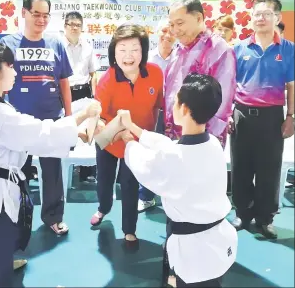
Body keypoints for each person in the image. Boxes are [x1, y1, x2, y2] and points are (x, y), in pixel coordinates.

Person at [0, 40, 101, 287]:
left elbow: (35, 134)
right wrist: (84, 116)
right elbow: (40, 135)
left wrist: (77, 126)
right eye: (10, 66)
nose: (15, 72)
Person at [117, 73, 238, 287]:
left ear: (183, 109)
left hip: (195, 252)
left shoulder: (175, 160)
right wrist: (135, 129)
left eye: (176, 100)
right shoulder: (211, 143)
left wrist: (128, 142)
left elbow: (145, 167)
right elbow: (168, 146)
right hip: (219, 241)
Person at [0, 0, 73, 235]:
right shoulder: (8, 45)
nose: (41, 20)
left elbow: (64, 82)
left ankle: (53, 216)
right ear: (24, 13)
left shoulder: (56, 44)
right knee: (17, 174)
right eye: (36, 14)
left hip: (51, 119)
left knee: (52, 172)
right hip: (18, 122)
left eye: (46, 16)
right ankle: (17, 218)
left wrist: (69, 115)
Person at [90, 24, 163, 247]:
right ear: (114, 52)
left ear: (144, 51)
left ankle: (129, 230)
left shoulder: (156, 74)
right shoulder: (108, 78)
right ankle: (103, 208)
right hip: (110, 142)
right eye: (122, 49)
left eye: (134, 49)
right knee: (104, 180)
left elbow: (159, 107)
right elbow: (98, 117)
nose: (128, 56)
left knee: (130, 185)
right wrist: (114, 132)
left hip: (136, 143)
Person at [229, 0, 294, 239]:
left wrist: (291, 116)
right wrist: (227, 115)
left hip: (272, 118)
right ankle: (242, 214)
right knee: (241, 168)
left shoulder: (288, 50)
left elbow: (291, 86)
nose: (261, 18)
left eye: (267, 14)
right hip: (242, 115)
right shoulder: (239, 48)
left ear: (277, 17)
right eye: (257, 14)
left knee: (269, 170)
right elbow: (229, 84)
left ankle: (265, 218)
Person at [164, 0, 236, 148]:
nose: (175, 30)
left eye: (180, 23)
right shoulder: (178, 50)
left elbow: (221, 103)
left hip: (201, 140)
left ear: (198, 18)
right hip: (174, 136)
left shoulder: (219, 50)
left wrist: (203, 139)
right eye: (171, 24)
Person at [138, 19, 176, 212]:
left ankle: (172, 198)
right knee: (150, 154)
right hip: (151, 112)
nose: (167, 35)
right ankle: (146, 196)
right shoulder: (147, 58)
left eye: (171, 31)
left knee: (173, 155)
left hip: (175, 115)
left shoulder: (181, 57)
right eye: (164, 31)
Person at [63, 11, 100, 182]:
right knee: (67, 127)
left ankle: (86, 172)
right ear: (65, 26)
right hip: (64, 91)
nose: (75, 28)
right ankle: (65, 168)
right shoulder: (58, 45)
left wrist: (95, 96)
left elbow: (94, 73)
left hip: (84, 91)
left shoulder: (88, 47)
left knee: (86, 129)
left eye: (78, 25)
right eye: (72, 24)